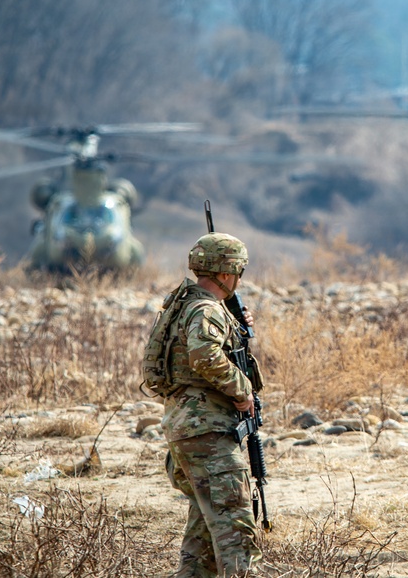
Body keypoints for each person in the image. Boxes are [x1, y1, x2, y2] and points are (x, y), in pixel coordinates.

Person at [158, 232, 262, 578]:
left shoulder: (187, 305)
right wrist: (242, 392)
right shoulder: (206, 309)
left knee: (203, 534)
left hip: (187, 428)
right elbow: (204, 355)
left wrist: (236, 326)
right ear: (227, 274)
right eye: (238, 272)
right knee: (235, 527)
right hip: (207, 432)